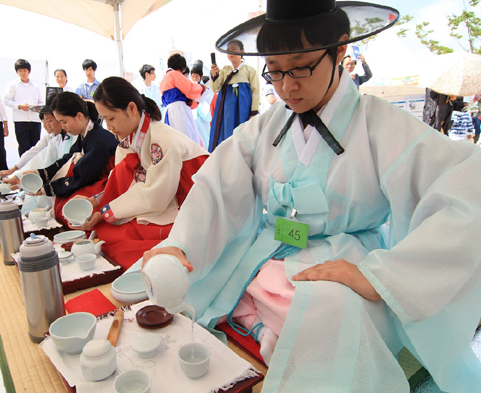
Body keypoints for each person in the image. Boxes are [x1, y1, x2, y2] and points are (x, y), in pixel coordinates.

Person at [142, 1, 481, 392]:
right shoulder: (268, 124)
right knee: (212, 280)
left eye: (300, 66)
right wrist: (181, 244)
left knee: (332, 312)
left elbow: (467, 191)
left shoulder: (382, 125)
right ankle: (264, 328)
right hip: (271, 249)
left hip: (343, 258)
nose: (287, 86)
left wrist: (381, 277)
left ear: (340, 49)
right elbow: (218, 184)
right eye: (275, 71)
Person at [70, 77, 208, 268]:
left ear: (132, 108)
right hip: (166, 194)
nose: (109, 127)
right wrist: (97, 201)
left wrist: (104, 212)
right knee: (119, 230)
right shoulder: (130, 141)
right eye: (104, 120)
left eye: (111, 118)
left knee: (129, 240)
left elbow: (157, 196)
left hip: (190, 198)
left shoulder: (162, 140)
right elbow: (127, 184)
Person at [25, 92, 118, 227]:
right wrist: (41, 174)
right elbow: (67, 158)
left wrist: (49, 188)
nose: (63, 127)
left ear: (79, 116)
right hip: (93, 179)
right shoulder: (86, 134)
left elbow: (83, 175)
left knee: (70, 210)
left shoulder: (98, 138)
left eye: (64, 122)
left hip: (108, 186)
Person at [4, 94, 77, 214]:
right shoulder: (57, 139)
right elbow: (40, 159)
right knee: (35, 194)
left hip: (69, 183)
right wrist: (18, 175)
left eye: (50, 121)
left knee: (41, 195)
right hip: (57, 178)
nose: (47, 125)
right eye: (44, 121)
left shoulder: (74, 138)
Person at [209, 39, 260, 152]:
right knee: (228, 135)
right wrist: (214, 76)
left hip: (244, 110)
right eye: (228, 51)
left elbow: (255, 91)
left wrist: (253, 112)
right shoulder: (224, 71)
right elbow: (216, 88)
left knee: (244, 135)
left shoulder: (249, 71)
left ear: (242, 51)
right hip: (227, 111)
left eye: (234, 50)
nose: (231, 53)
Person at [159, 54, 206, 146]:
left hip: (170, 111)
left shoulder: (166, 78)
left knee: (176, 141)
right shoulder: (175, 74)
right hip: (179, 111)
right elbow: (190, 89)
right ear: (183, 67)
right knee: (186, 139)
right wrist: (202, 88)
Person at [4, 59, 44, 156]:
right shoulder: (13, 85)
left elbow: (41, 102)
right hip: (20, 120)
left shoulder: (36, 86)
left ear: (29, 71)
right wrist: (19, 106)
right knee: (24, 146)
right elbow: (6, 100)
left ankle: (34, 169)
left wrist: (37, 107)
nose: (22, 73)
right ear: (17, 72)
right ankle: (23, 169)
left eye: (25, 70)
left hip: (35, 120)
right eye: (20, 71)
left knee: (35, 146)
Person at [191, 60, 215, 151]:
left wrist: (199, 99)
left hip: (203, 115)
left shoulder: (206, 88)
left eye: (196, 76)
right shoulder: (190, 86)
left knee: (205, 137)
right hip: (194, 116)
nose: (194, 78)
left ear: (201, 76)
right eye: (193, 76)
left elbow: (208, 98)